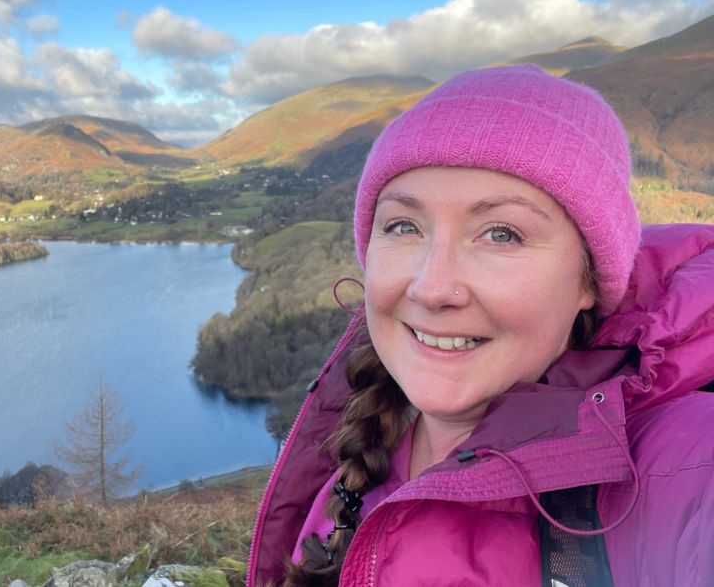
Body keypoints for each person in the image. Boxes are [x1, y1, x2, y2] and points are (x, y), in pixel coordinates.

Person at [246, 65, 714, 587]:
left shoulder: (679, 466)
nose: (431, 287)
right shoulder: (364, 434)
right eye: (404, 226)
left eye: (502, 234)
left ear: (588, 281)